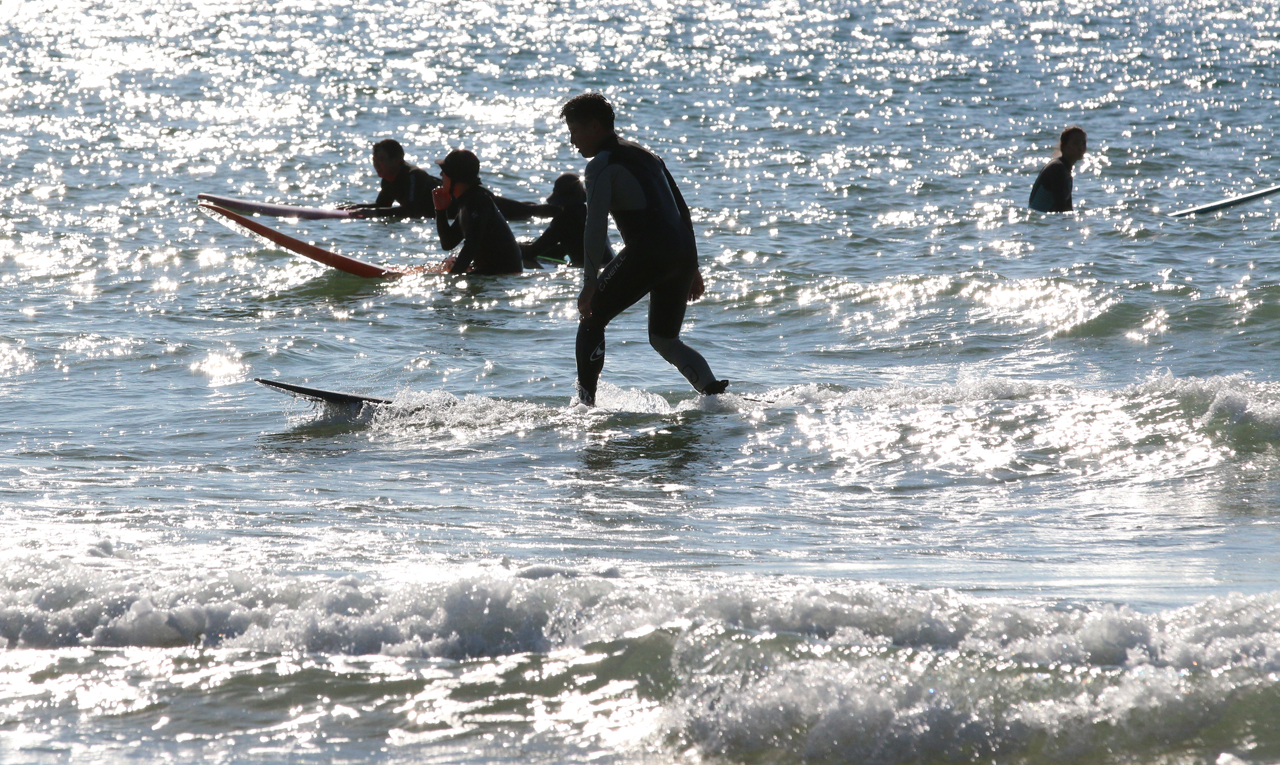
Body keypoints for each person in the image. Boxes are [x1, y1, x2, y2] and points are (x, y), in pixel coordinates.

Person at [561, 93, 726, 406]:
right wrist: (692, 266)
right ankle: (714, 398)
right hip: (680, 254)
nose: (572, 140)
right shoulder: (647, 154)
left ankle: (584, 408)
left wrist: (589, 284)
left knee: (591, 318)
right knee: (664, 339)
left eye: (575, 131)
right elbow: (682, 211)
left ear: (595, 127)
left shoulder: (601, 165)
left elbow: (594, 229)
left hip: (649, 253)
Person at [431, 149, 522, 275]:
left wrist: (450, 280)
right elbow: (448, 243)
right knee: (442, 266)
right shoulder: (468, 200)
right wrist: (440, 210)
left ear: (455, 176)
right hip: (487, 271)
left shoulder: (477, 201)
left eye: (444, 171)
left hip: (501, 274)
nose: (441, 175)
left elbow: (471, 247)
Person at [343, 139, 440, 219]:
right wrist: (356, 208)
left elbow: (411, 210)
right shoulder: (388, 178)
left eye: (381, 160)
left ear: (397, 160)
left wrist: (374, 212)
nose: (376, 165)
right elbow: (382, 205)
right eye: (374, 160)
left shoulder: (414, 175)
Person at [515, 173, 589, 268]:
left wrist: (510, 246)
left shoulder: (564, 219)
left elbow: (532, 252)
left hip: (587, 269)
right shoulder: (589, 214)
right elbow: (565, 249)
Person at [1029, 126, 1087, 213]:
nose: (1081, 147)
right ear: (1064, 146)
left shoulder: (1065, 168)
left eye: (1083, 143)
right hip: (1042, 222)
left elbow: (1067, 209)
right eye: (1076, 143)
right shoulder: (1058, 169)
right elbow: (1060, 209)